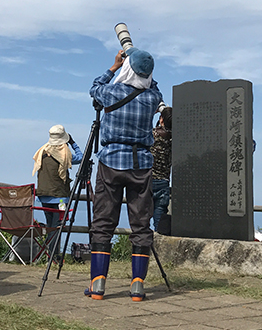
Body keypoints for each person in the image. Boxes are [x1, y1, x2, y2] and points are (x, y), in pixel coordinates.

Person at [86, 48, 164, 301]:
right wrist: (142, 65)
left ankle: (98, 284)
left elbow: (95, 87)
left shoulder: (112, 93)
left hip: (111, 162)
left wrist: (114, 66)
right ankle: (138, 285)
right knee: (141, 223)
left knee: (103, 221)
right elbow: (155, 87)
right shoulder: (151, 98)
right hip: (141, 163)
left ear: (127, 68)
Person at [32, 124, 82, 257]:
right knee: (57, 227)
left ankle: (49, 254)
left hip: (43, 196)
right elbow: (81, 157)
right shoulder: (64, 155)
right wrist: (72, 142)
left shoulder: (41, 152)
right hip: (60, 198)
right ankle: (53, 256)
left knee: (50, 226)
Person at [150, 106, 172, 232]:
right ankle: (158, 248)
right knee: (159, 220)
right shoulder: (175, 139)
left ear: (162, 120)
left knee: (141, 218)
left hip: (148, 180)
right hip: (164, 181)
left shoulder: (153, 135)